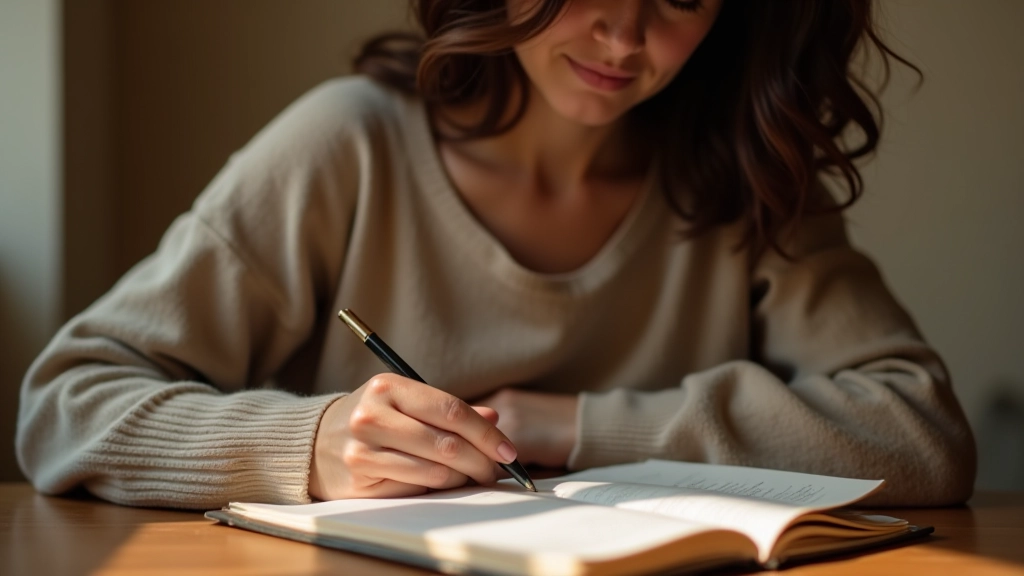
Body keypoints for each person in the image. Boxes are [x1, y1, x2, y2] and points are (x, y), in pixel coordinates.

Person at [17, 0, 976, 509]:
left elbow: (921, 432)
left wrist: (573, 425)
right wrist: (313, 445)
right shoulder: (346, 148)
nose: (625, 33)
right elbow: (66, 403)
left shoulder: (743, 182)